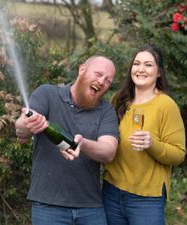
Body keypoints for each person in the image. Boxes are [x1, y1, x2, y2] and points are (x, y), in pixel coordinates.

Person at [15, 55, 119, 225]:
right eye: (98, 74)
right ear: (82, 70)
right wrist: (28, 122)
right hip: (48, 206)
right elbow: (21, 131)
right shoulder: (47, 94)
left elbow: (108, 152)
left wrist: (82, 144)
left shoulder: (106, 111)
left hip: (91, 208)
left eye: (108, 80)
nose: (101, 81)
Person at [102, 45, 186, 225]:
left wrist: (151, 144)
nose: (141, 69)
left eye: (148, 65)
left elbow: (178, 154)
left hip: (147, 199)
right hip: (111, 192)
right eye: (136, 64)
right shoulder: (118, 99)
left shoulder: (166, 106)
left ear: (159, 73)